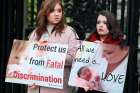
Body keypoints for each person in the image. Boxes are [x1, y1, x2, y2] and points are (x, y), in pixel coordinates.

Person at [27, 0, 79, 93]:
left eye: (59, 11)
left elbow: (74, 58)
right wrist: (27, 78)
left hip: (57, 88)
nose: (56, 14)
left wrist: (50, 54)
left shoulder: (69, 32)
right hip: (35, 86)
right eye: (52, 11)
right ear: (45, 12)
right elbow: (27, 59)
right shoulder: (36, 33)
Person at [87, 10, 129, 93]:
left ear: (111, 25)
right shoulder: (89, 41)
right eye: (98, 22)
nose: (101, 25)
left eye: (105, 23)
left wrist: (104, 48)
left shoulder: (120, 43)